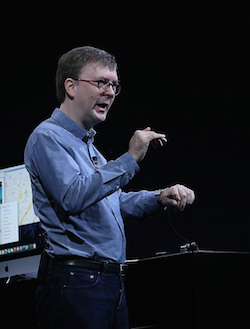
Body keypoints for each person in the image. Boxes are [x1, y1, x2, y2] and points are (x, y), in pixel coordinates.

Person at [24, 46, 195, 329]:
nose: (111, 92)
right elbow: (73, 197)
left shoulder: (89, 149)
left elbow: (110, 205)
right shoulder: (47, 137)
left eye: (114, 85)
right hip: (76, 284)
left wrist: (158, 198)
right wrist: (130, 158)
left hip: (109, 283)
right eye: (102, 82)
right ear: (71, 86)